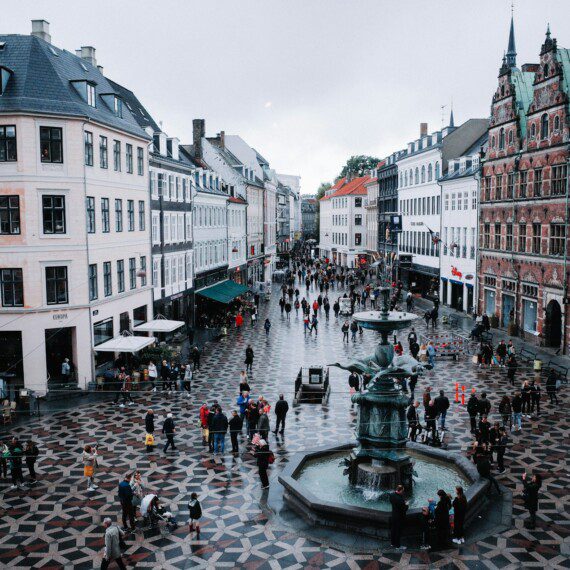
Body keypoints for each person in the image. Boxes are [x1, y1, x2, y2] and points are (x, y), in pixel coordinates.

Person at [389, 485, 408, 550]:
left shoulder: (391, 495)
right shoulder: (400, 499)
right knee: (398, 531)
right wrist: (406, 505)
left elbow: (392, 502)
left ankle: (392, 543)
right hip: (399, 517)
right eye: (402, 491)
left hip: (394, 515)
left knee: (393, 529)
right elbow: (404, 509)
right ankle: (398, 546)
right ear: (400, 490)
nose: (403, 492)